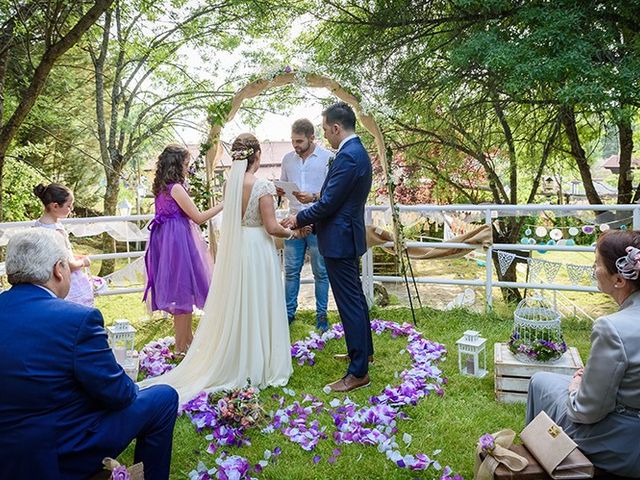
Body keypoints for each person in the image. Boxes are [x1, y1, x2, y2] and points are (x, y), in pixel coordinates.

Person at [0, 228, 178, 480]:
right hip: (54, 454)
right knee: (163, 397)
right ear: (58, 269)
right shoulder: (76, 319)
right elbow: (120, 395)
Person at [139, 134, 302, 403]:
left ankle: (236, 353)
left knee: (240, 301)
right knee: (260, 301)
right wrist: (294, 233)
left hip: (237, 247)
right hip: (257, 247)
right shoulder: (262, 186)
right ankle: (260, 359)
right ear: (257, 156)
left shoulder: (231, 185)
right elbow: (271, 227)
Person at [526, 229, 640, 478]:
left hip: (625, 445)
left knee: (540, 382)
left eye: (597, 264)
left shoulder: (612, 327)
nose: (593, 269)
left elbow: (586, 411)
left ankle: (543, 464)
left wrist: (576, 387)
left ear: (619, 279)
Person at [283, 102, 373, 393]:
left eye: (324, 130)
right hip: (345, 235)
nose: (325, 135)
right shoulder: (354, 153)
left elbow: (330, 203)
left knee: (349, 304)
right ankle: (363, 352)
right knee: (356, 300)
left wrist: (298, 217)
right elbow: (334, 195)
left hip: (340, 238)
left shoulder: (348, 156)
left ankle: (358, 372)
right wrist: (315, 201)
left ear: (336, 128)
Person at [143, 144, 223, 354]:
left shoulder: (162, 187)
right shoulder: (176, 188)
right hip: (178, 243)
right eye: (186, 164)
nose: (188, 168)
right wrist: (224, 204)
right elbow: (197, 217)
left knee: (182, 291)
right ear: (177, 165)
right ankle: (181, 347)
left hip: (167, 240)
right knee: (182, 292)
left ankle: (188, 341)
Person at [277, 118, 332, 331]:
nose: (295, 145)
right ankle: (288, 314)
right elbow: (281, 186)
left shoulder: (328, 158)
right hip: (293, 221)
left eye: (299, 141)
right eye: (293, 141)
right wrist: (279, 191)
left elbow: (333, 193)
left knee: (321, 271)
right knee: (290, 271)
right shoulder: (287, 160)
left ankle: (322, 315)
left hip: (319, 222)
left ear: (312, 137)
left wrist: (314, 196)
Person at [33, 183, 94, 307]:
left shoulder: (37, 226)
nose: (71, 209)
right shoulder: (57, 231)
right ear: (55, 206)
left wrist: (73, 256)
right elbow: (68, 265)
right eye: (69, 206)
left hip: (47, 281)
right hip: (64, 280)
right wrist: (84, 262)